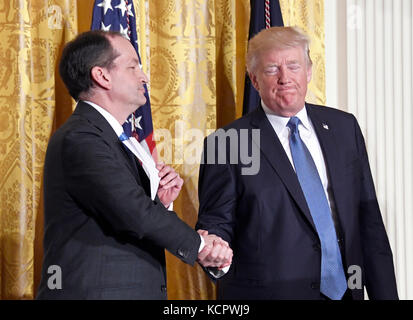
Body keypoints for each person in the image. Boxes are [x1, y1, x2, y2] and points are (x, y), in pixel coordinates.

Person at [196, 26, 398, 300]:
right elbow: (217, 222)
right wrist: (213, 248)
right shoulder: (228, 143)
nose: (285, 78)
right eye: (271, 69)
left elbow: (369, 223)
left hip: (346, 292)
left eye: (293, 66)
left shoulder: (343, 127)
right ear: (254, 80)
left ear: (309, 71)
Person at [37, 30, 232, 299]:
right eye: (132, 66)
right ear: (102, 76)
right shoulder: (82, 137)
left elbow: (118, 212)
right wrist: (201, 246)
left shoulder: (105, 136)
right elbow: (134, 212)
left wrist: (158, 202)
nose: (144, 76)